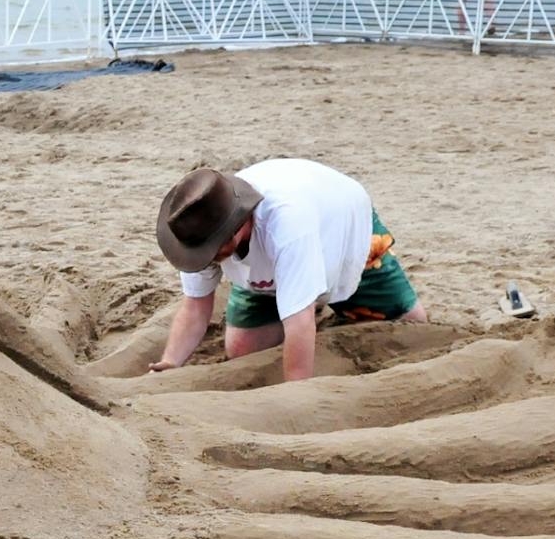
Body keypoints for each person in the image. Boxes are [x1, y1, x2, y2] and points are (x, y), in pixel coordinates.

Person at [151, 160, 429, 382]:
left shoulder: (286, 226)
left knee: (412, 328)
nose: (206, 258)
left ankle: (312, 293)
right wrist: (171, 362)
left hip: (343, 233)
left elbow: (299, 321)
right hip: (270, 268)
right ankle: (293, 291)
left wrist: (294, 397)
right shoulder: (197, 225)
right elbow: (195, 307)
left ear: (236, 226)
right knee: (242, 351)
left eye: (212, 249)